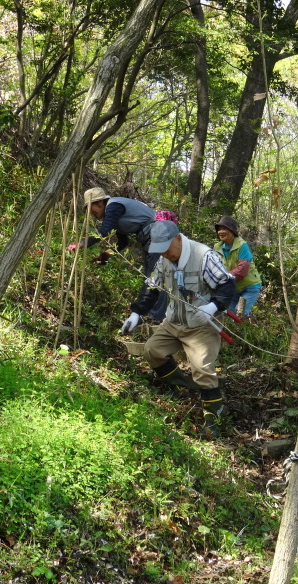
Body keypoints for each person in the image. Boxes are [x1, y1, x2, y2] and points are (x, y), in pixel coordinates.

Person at [119, 220, 236, 439]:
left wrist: (213, 306)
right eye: (159, 249)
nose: (163, 253)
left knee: (202, 369)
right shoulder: (163, 261)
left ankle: (215, 415)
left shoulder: (204, 256)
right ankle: (181, 387)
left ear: (178, 238)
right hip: (173, 322)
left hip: (202, 326)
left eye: (166, 247)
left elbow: (227, 285)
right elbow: (152, 286)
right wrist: (137, 312)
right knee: (152, 351)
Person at [71, 187, 167, 322]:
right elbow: (122, 242)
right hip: (151, 237)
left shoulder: (114, 206)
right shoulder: (114, 214)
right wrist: (106, 254)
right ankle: (156, 316)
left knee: (156, 275)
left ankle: (158, 317)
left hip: (158, 235)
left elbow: (104, 231)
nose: (92, 213)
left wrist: (81, 244)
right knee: (152, 275)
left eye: (92, 209)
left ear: (100, 203)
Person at [213, 216, 262, 317]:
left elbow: (242, 271)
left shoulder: (241, 245)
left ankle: (242, 331)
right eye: (219, 229)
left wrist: (222, 278)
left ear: (232, 231)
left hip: (250, 287)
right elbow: (214, 267)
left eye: (224, 229)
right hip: (234, 287)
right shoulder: (217, 247)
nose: (221, 232)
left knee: (240, 313)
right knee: (228, 314)